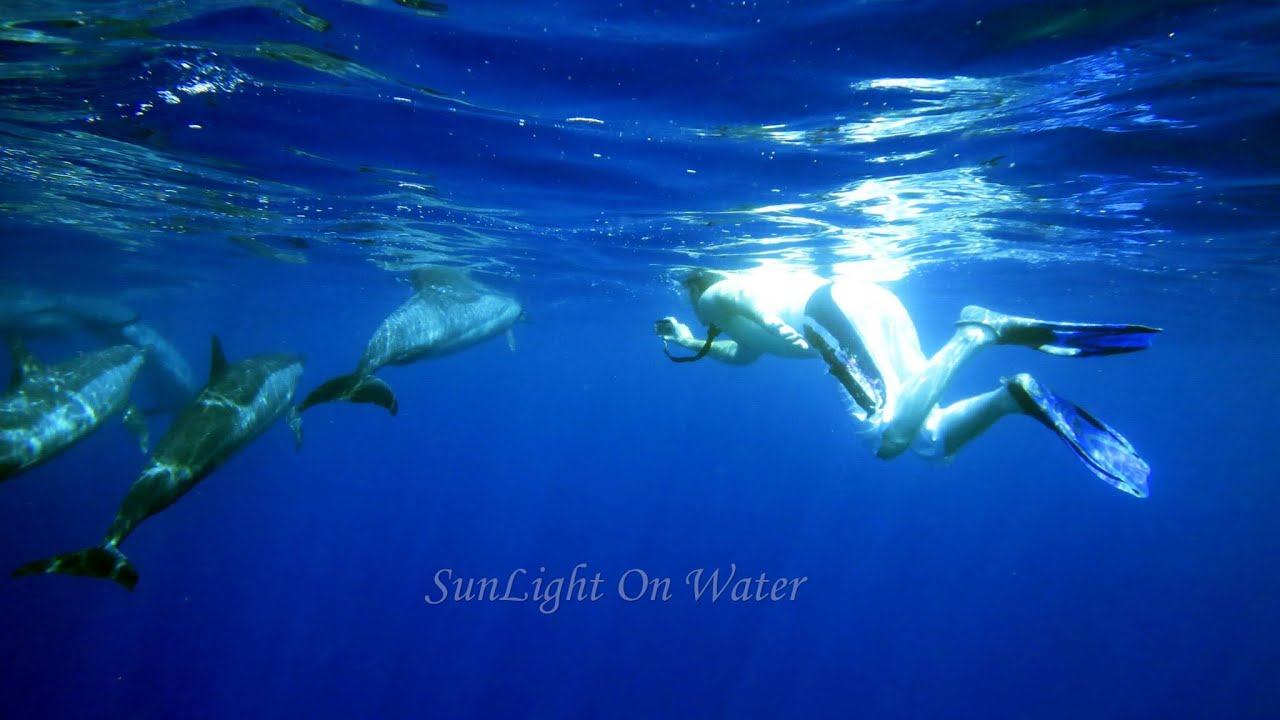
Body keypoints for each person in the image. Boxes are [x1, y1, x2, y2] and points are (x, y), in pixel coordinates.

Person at [654, 268, 1159, 497]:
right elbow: (740, 357)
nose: (692, 315)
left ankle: (978, 332)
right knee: (927, 436)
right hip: (859, 299)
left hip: (826, 313)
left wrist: (768, 319)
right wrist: (685, 341)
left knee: (889, 436)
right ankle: (1013, 398)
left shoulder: (708, 294)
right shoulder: (731, 311)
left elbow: (734, 293)